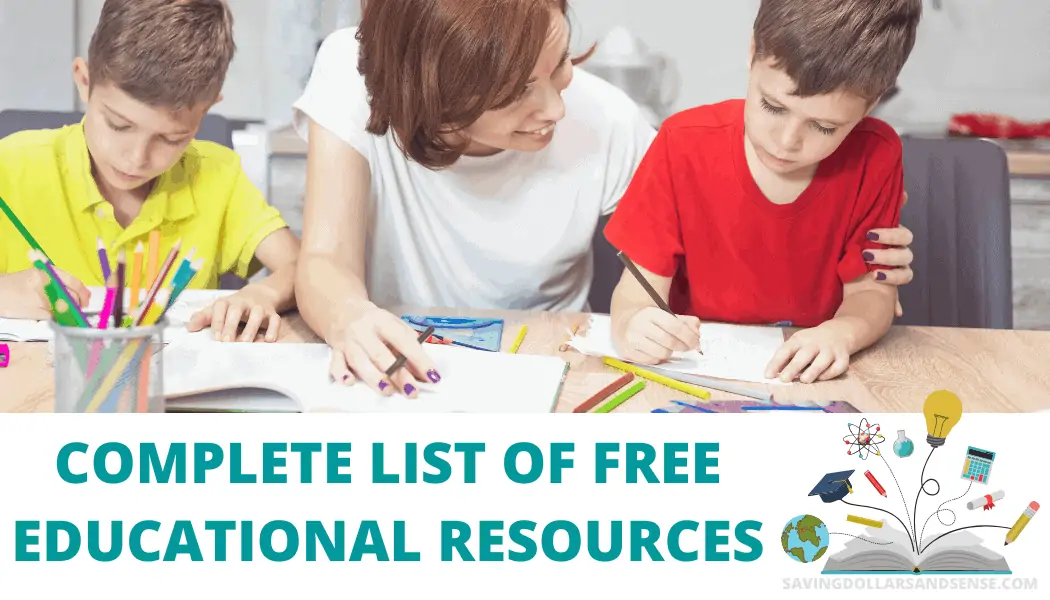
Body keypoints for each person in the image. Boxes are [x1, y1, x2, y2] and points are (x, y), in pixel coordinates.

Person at [291, 0, 915, 397]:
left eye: (560, 63)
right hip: (397, 373)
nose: (559, 107)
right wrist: (347, 316)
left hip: (551, 376)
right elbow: (323, 260)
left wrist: (860, 286)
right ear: (431, 92)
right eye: (517, 93)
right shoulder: (353, 70)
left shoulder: (613, 121)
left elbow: (697, 250)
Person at [604, 0, 923, 384]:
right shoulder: (682, 144)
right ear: (753, 52)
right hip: (692, 374)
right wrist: (633, 325)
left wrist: (842, 333)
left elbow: (871, 294)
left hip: (807, 383)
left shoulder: (877, 155)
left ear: (872, 103)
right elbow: (636, 295)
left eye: (824, 127)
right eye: (772, 106)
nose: (787, 142)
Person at [0, 0, 299, 343]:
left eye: (171, 139)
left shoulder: (219, 176)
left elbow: (303, 267)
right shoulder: (11, 166)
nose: (136, 159)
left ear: (207, 110)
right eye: (118, 125)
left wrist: (262, 294)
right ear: (84, 81)